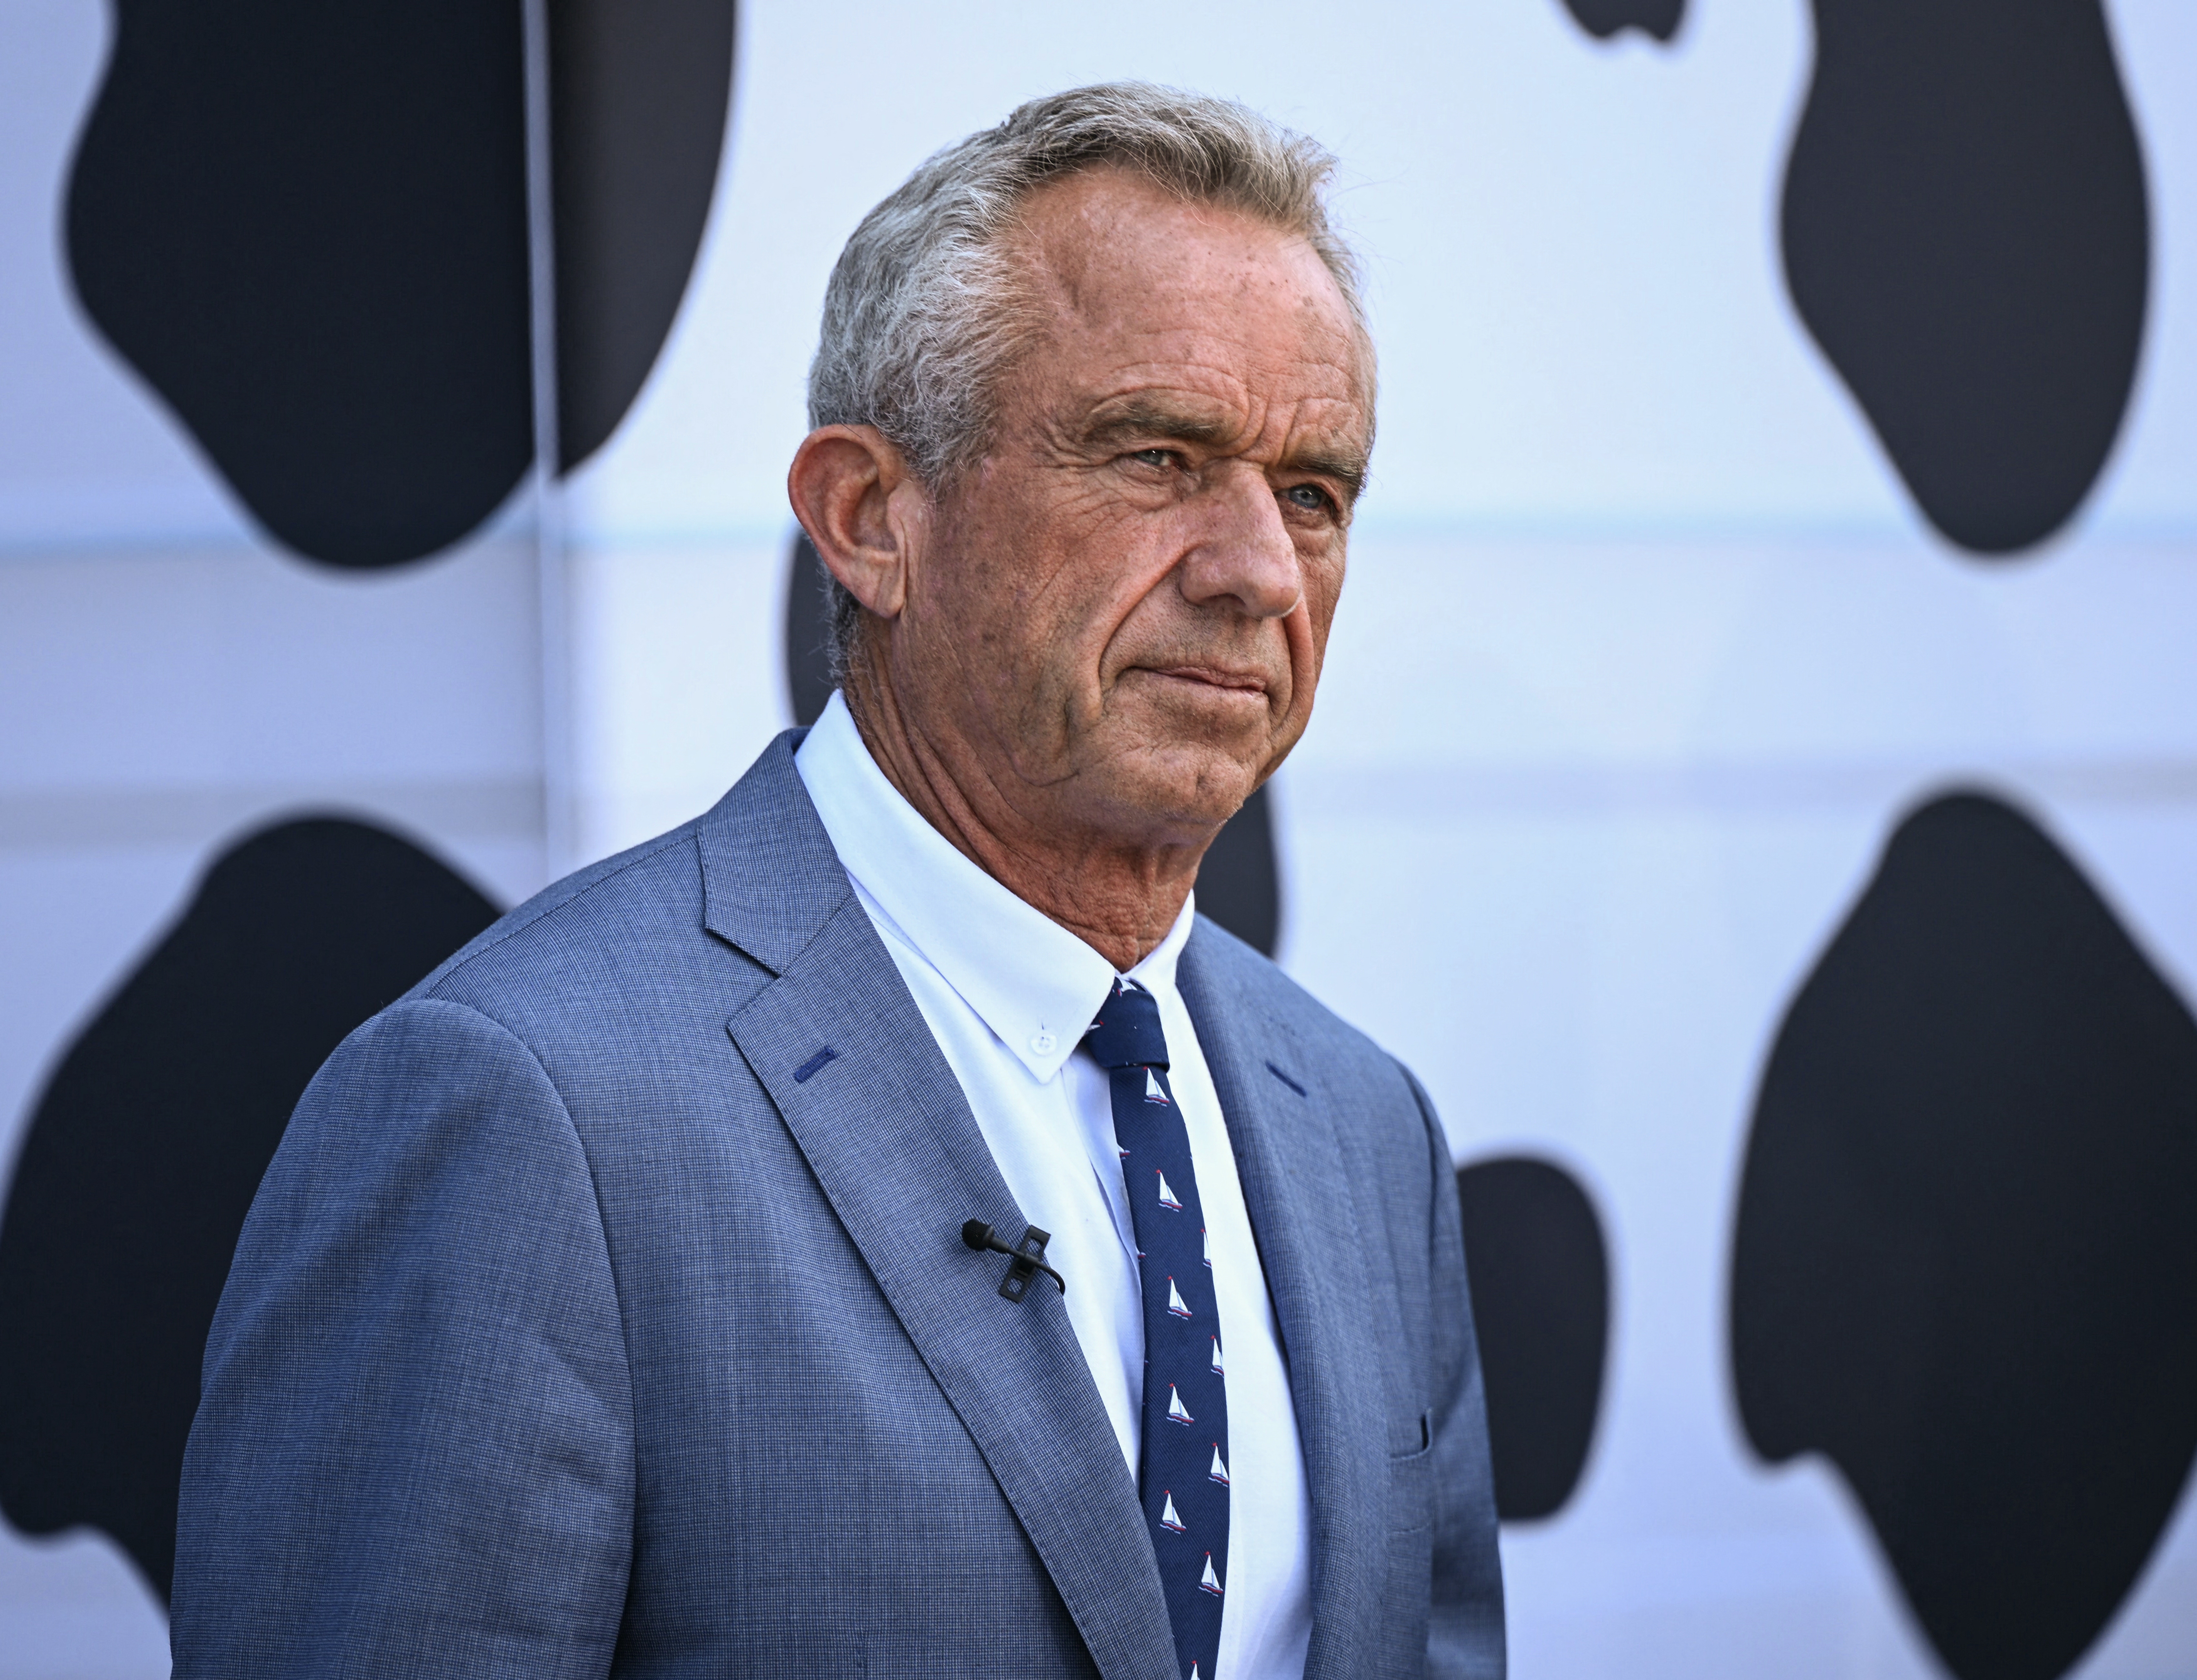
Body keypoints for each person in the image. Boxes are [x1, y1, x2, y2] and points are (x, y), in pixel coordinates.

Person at [171, 83, 1504, 1680]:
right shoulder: (524, 1110)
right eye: (1158, 457)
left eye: (1312, 493)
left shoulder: (1361, 1129)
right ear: (869, 518)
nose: (1255, 573)